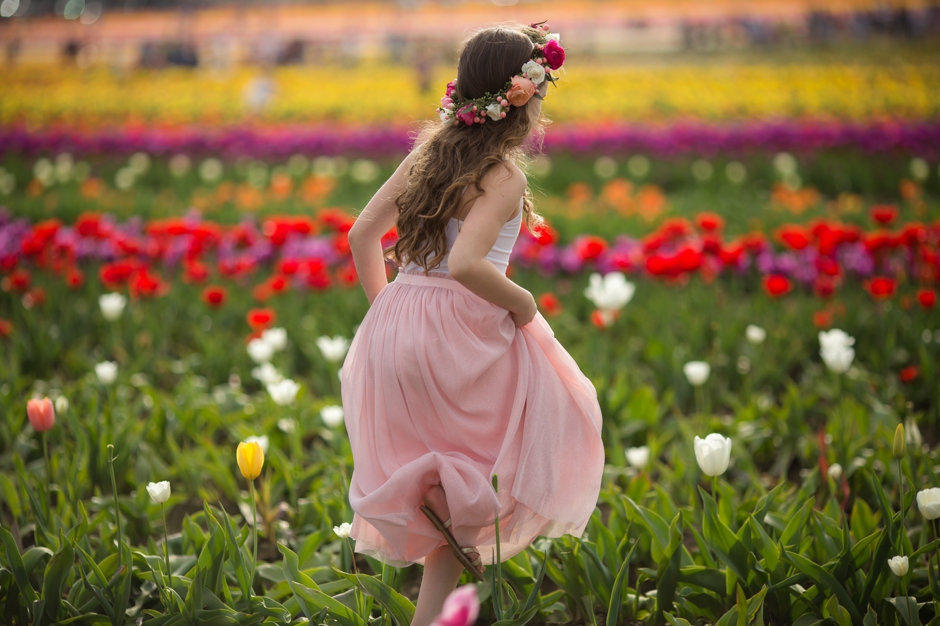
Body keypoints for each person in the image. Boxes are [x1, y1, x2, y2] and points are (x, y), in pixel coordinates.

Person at [342, 23, 604, 626]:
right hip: (458, 335)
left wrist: (384, 310)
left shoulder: (428, 155)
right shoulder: (503, 174)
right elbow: (465, 264)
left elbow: (361, 235)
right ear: (522, 98)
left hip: (397, 321)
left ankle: (430, 612)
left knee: (449, 484)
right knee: (549, 416)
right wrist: (524, 304)